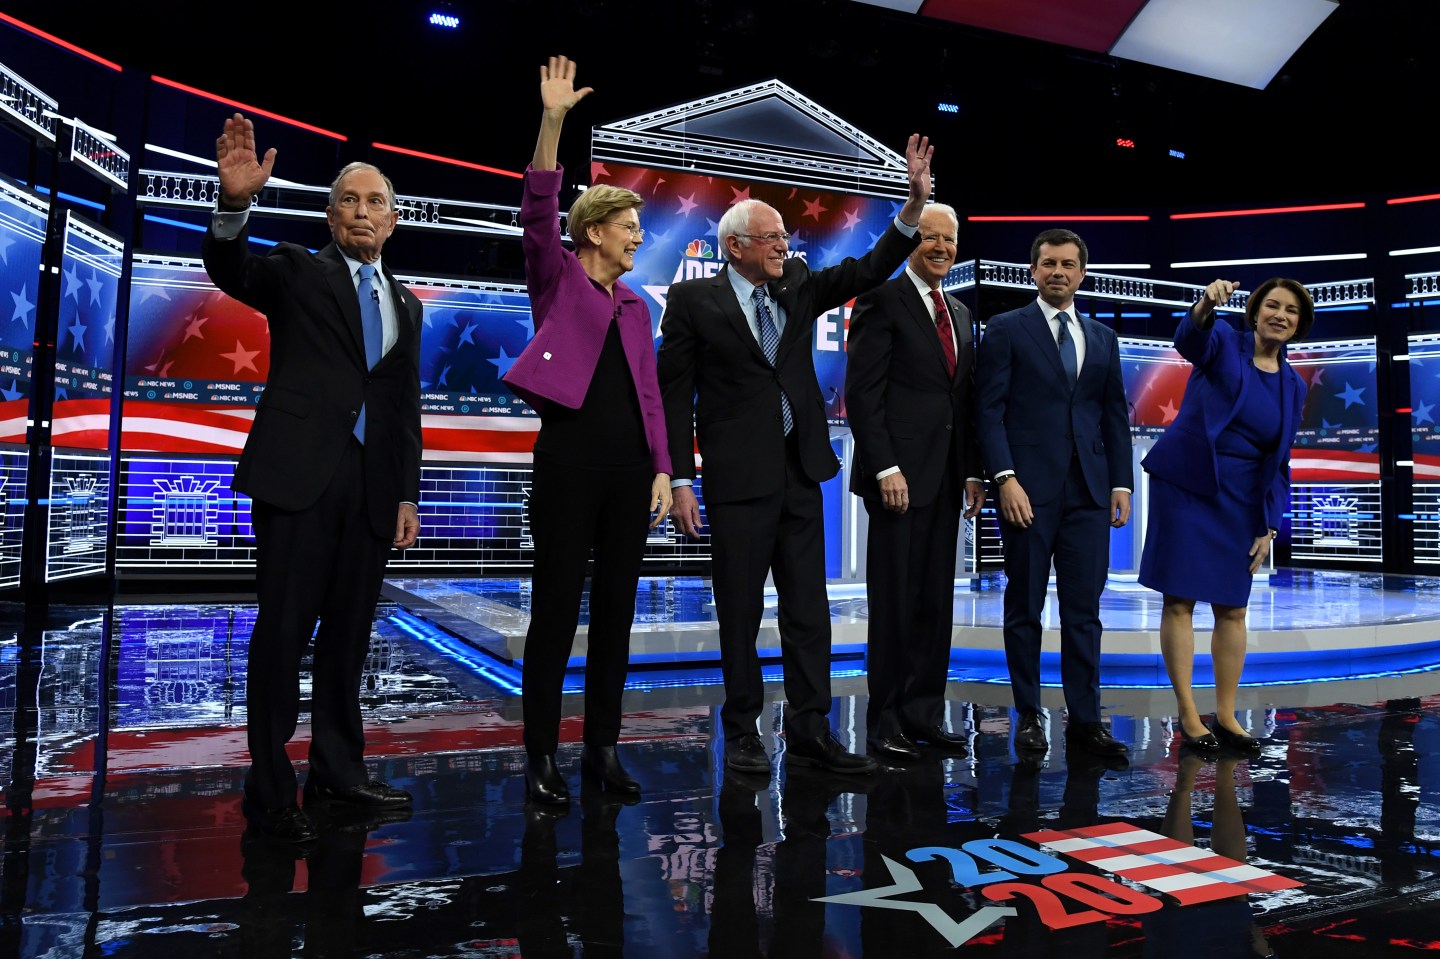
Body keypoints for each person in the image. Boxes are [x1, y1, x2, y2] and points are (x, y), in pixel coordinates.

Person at [658, 133, 936, 776]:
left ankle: (811, 732)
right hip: (736, 480)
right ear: (736, 246)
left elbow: (866, 270)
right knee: (741, 611)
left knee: (809, 611)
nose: (787, 245)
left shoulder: (801, 283)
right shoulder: (693, 301)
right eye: (773, 237)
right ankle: (744, 730)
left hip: (802, 472)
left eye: (786, 236)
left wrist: (911, 209)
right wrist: (677, 477)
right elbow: (674, 396)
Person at [204, 114, 422, 843]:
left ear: (393, 221)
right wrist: (235, 206)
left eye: (375, 202)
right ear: (332, 217)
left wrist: (405, 492)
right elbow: (232, 268)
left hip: (370, 489)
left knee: (349, 638)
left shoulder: (407, 303)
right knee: (285, 633)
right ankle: (270, 789)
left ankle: (338, 770)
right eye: (350, 200)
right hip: (299, 479)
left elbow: (403, 405)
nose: (363, 211)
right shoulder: (298, 269)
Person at [501, 56, 673, 806]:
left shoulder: (639, 308)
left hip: (631, 473)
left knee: (616, 617)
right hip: (568, 464)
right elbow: (538, 207)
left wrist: (665, 468)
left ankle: (602, 748)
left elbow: (651, 396)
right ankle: (541, 754)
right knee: (555, 611)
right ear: (595, 230)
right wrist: (553, 120)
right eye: (630, 227)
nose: (639, 238)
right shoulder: (558, 274)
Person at [975, 228, 1132, 758]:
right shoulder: (1005, 329)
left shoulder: (1104, 337)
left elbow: (1113, 416)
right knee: (1024, 607)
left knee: (1084, 612)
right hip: (1027, 492)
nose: (1058, 272)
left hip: (1089, 493)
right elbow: (988, 411)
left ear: (1081, 273)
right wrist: (1004, 477)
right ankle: (1028, 715)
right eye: (1048, 263)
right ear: (1034, 271)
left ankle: (1086, 721)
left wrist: (1120, 482)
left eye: (1068, 264)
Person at [1138, 278, 1310, 756]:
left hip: (1242, 499)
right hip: (1190, 487)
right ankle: (1189, 715)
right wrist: (1206, 304)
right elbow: (1189, 339)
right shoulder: (1224, 345)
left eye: (1291, 311)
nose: (1280, 315)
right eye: (1272, 306)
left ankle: (1228, 715)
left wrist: (1271, 523)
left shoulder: (1294, 385)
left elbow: (1280, 459)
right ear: (1253, 312)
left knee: (1234, 607)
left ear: (1300, 324)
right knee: (1181, 602)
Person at [844, 203, 984, 760]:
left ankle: (924, 714)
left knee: (934, 604)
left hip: (947, 479)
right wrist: (884, 467)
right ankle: (885, 720)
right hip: (897, 480)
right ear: (910, 243)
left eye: (949, 239)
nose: (942, 248)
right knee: (896, 603)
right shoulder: (881, 298)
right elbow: (862, 394)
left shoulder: (962, 313)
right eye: (929, 238)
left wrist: (972, 470)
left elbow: (963, 402)